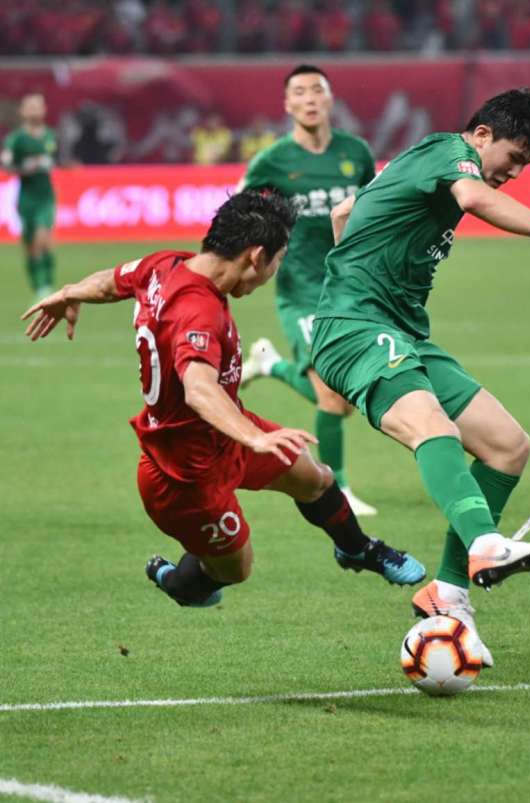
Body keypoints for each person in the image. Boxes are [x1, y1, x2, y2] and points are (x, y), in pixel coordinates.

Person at [311, 88, 530, 663]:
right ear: (482, 135)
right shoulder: (450, 154)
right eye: (514, 157)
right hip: (356, 327)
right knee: (433, 426)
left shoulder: (423, 165)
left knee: (508, 446)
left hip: (400, 332)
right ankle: (485, 543)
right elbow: (474, 196)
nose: (514, 173)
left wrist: (356, 263)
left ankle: (450, 594)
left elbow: (343, 215)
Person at [21, 189, 425, 610]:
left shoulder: (163, 265)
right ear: (256, 256)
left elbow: (112, 281)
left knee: (315, 478)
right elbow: (198, 388)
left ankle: (357, 549)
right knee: (235, 568)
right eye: (278, 260)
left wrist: (71, 292)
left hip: (222, 434)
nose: (275, 272)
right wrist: (254, 437)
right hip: (183, 474)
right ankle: (174, 580)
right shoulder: (199, 311)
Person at [238, 64, 379, 518]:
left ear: (330, 99)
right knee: (331, 395)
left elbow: (374, 209)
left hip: (348, 287)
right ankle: (338, 487)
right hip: (300, 289)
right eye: (299, 92)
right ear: (287, 105)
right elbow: (238, 208)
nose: (309, 98)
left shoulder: (355, 153)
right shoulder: (273, 161)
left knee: (345, 399)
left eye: (317, 89)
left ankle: (270, 365)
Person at [1, 94, 58, 301]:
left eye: (38, 106)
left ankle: (47, 286)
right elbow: (6, 164)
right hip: (26, 198)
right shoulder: (15, 139)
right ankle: (37, 287)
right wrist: (24, 168)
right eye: (31, 107)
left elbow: (55, 158)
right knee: (30, 245)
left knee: (44, 239)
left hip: (46, 196)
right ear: (23, 111)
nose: (35, 110)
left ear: (44, 110)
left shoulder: (50, 135)